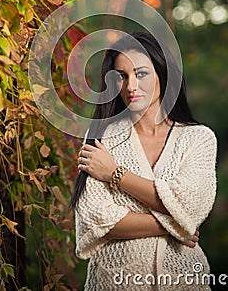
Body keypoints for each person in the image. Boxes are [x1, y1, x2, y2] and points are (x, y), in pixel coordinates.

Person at [70, 32, 217, 290]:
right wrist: (177, 226)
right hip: (114, 282)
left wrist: (115, 174)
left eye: (141, 74)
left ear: (163, 74)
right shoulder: (102, 138)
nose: (130, 87)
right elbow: (96, 219)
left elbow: (190, 205)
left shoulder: (198, 139)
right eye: (121, 76)